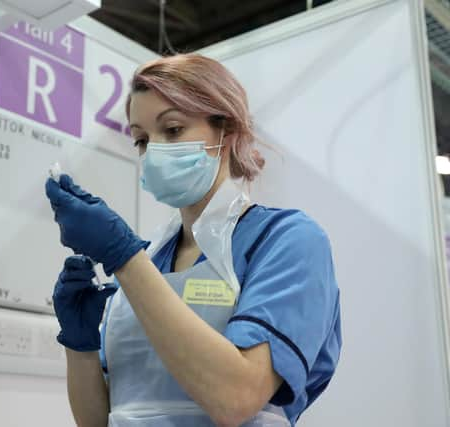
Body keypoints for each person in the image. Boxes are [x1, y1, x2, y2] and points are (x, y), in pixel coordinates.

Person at [45, 53, 341, 427]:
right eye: (141, 140)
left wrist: (124, 259)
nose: (153, 152)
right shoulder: (148, 261)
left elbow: (237, 399)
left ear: (226, 131)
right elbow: (101, 421)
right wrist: (81, 346)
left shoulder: (287, 241)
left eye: (172, 129)